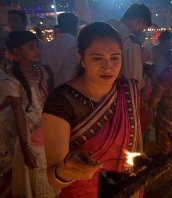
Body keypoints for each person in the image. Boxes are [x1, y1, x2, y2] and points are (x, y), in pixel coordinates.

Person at [42, 22, 142, 198]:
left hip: (127, 189)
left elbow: (136, 146)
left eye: (115, 57)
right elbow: (53, 178)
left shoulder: (128, 91)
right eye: (97, 58)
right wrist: (66, 171)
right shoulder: (61, 101)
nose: (108, 66)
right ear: (81, 58)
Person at [3, 30, 57, 198]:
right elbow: (19, 115)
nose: (37, 51)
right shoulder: (12, 81)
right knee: (42, 178)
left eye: (36, 46)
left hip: (51, 129)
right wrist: (26, 148)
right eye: (31, 47)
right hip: (32, 135)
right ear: (18, 52)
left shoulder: (42, 71)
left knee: (56, 171)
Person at [107, 3, 152, 83]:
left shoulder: (107, 26)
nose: (142, 31)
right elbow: (134, 82)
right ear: (140, 21)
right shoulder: (131, 42)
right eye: (144, 27)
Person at [42, 13, 79, 87]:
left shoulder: (47, 46)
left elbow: (45, 69)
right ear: (75, 27)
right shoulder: (77, 44)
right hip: (74, 88)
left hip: (54, 89)